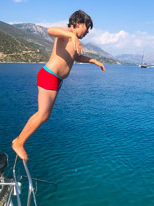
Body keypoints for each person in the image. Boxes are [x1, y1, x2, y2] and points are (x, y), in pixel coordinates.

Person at [12, 10, 105, 162]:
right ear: (78, 24)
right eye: (86, 27)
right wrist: (72, 35)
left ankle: (19, 140)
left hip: (55, 80)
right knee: (42, 114)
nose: (87, 31)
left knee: (45, 115)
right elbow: (50, 31)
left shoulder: (72, 39)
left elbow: (77, 57)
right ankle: (19, 143)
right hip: (49, 75)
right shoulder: (67, 32)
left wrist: (94, 61)